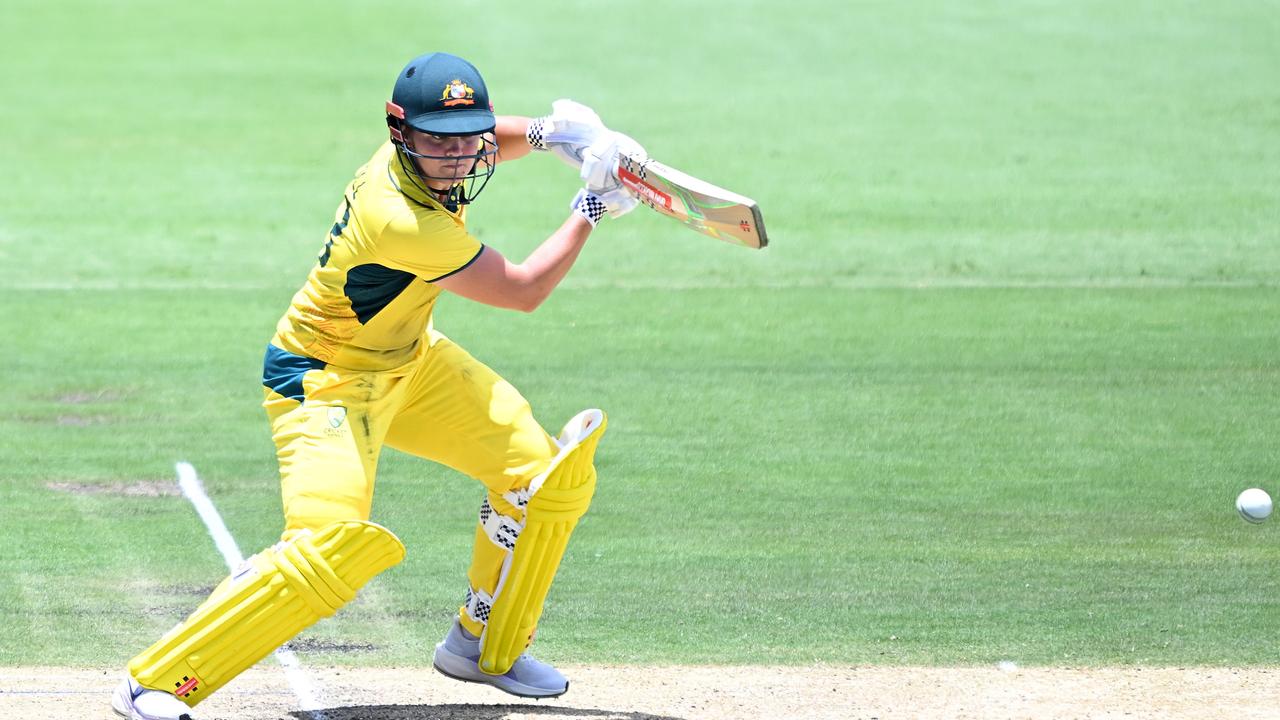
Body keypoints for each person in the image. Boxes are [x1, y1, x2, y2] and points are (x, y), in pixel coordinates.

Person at [111, 51, 640, 720]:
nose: (455, 158)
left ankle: (481, 647)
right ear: (400, 136)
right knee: (327, 546)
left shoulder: (431, 153)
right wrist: (592, 204)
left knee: (538, 478)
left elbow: (472, 134)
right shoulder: (399, 217)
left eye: (466, 140)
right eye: (435, 143)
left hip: (410, 363)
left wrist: (550, 134)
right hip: (324, 382)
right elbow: (524, 289)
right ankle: (155, 682)